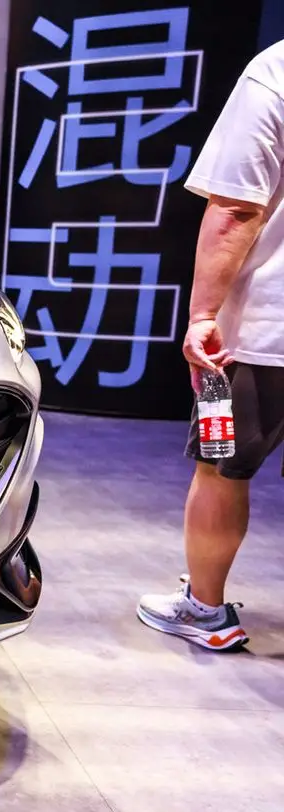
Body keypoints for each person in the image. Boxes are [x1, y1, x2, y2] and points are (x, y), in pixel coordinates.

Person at [136, 43, 284, 652]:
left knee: (221, 465)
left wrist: (202, 316)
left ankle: (204, 610)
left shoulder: (276, 70)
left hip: (263, 333)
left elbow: (237, 207)